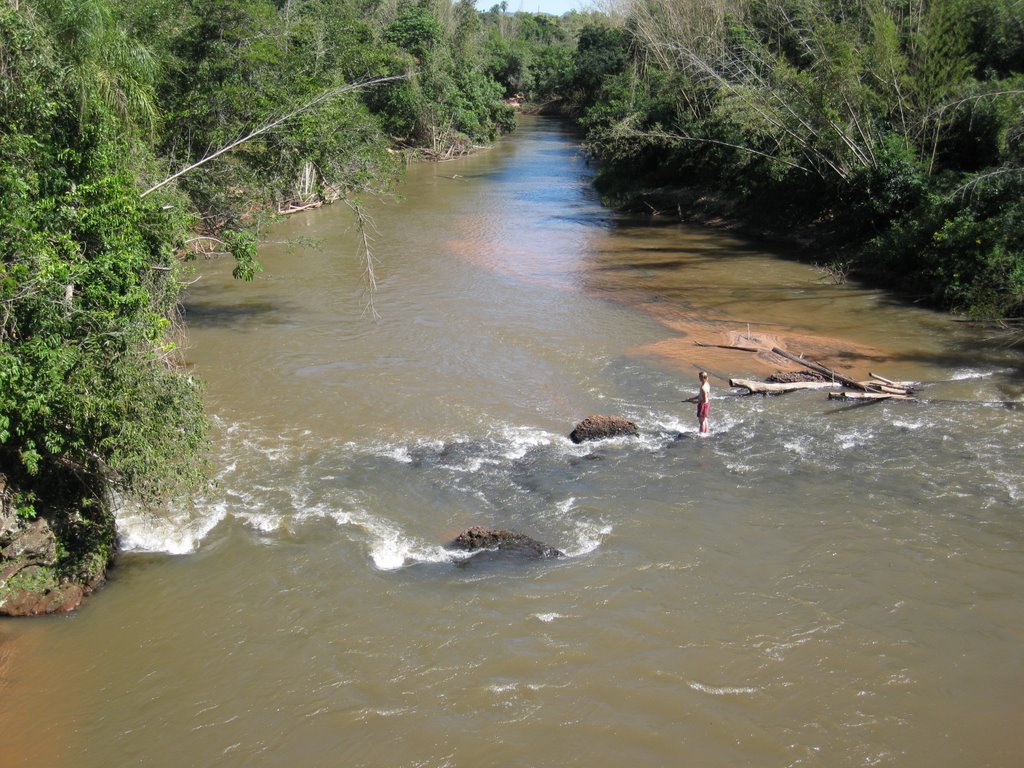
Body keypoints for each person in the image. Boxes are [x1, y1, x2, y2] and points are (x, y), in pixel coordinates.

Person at [696, 370, 711, 435]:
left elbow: (703, 400)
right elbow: (701, 396)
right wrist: (692, 398)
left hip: (703, 405)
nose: (698, 378)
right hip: (707, 404)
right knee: (705, 420)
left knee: (701, 422)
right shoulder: (707, 384)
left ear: (701, 378)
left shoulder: (703, 388)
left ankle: (701, 434)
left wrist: (696, 401)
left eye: (699, 377)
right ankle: (706, 433)